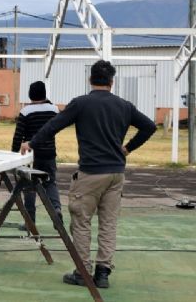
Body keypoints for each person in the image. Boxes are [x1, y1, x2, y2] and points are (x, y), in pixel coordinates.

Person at [20, 60, 156, 289]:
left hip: (91, 173)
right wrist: (128, 148)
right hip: (116, 173)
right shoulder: (124, 105)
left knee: (81, 222)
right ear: (112, 82)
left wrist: (31, 143)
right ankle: (103, 272)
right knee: (108, 223)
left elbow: (54, 125)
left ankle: (83, 272)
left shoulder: (81, 103)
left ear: (90, 79)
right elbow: (149, 126)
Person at [10, 80, 61, 229]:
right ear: (45, 93)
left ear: (30, 94)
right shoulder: (55, 110)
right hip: (50, 153)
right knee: (50, 183)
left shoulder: (25, 112)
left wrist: (13, 154)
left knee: (28, 186)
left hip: (31, 156)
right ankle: (56, 209)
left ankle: (30, 221)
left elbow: (18, 136)